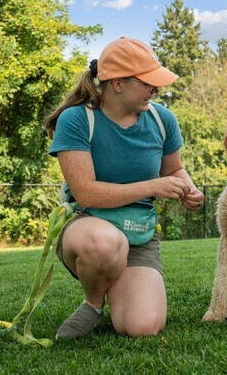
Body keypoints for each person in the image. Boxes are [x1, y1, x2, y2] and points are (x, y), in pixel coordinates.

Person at [44, 37, 205, 339]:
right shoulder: (77, 119)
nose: (155, 90)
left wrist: (189, 189)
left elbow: (174, 169)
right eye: (147, 83)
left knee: (142, 327)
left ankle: (117, 283)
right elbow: (86, 193)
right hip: (88, 224)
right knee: (104, 242)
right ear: (117, 83)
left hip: (138, 231)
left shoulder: (162, 119)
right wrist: (153, 186)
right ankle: (93, 304)